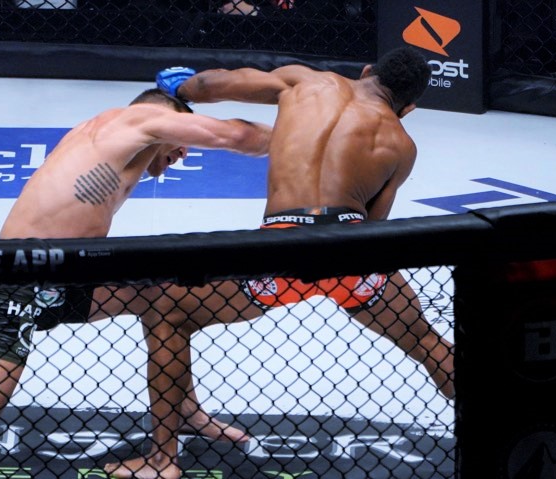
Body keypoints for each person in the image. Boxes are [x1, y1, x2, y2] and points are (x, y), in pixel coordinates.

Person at [104, 47, 455, 479]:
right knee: (428, 343)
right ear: (410, 107)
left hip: (282, 250)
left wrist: (183, 88)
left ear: (367, 71)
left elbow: (215, 84)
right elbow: (373, 225)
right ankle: (497, 439)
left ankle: (162, 460)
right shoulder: (402, 145)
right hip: (351, 250)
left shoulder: (306, 82)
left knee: (167, 313)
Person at [0, 88, 271, 445]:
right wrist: (297, 136)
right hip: (18, 282)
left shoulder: (118, 141)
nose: (184, 151)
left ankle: (183, 411)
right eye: (182, 136)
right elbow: (237, 136)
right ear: (168, 119)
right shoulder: (138, 120)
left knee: (160, 296)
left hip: (63, 278)